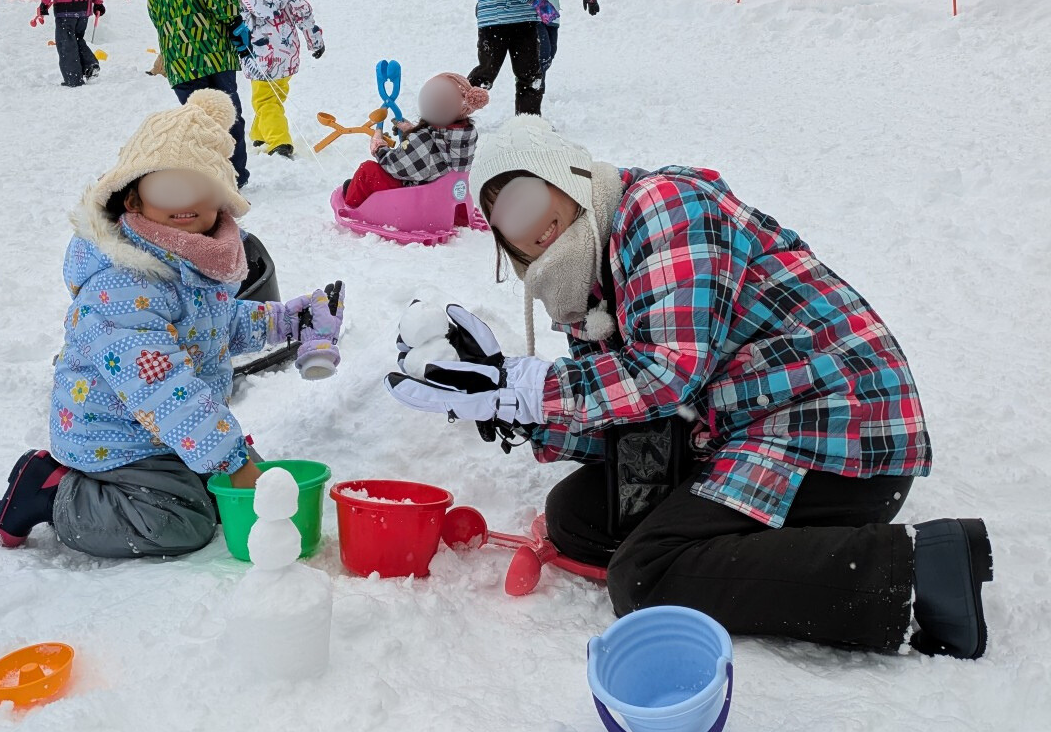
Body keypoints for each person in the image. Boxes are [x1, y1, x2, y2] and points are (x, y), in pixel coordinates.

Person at [386, 116, 993, 660]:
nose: (526, 227)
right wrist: (514, 412)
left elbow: (664, 371)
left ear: (567, 178)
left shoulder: (661, 205)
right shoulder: (584, 293)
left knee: (645, 576)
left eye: (526, 196)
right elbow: (628, 420)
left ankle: (922, 574)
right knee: (577, 516)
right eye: (504, 221)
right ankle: (752, 547)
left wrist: (526, 386)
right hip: (737, 428)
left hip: (833, 427)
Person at [0, 92, 344, 558]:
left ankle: (200, 466)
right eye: (168, 187)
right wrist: (228, 457)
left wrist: (288, 320)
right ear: (134, 195)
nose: (186, 201)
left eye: (200, 187)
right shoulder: (120, 283)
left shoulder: (189, 256)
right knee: (181, 523)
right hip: (116, 443)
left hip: (170, 430)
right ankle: (51, 490)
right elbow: (161, 385)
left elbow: (214, 328)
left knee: (248, 496)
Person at [147, 0, 248, 188]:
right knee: (227, 117)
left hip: (179, 60)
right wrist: (236, 24)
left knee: (196, 119)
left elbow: (156, 10)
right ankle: (234, 175)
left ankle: (204, 173)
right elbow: (220, 2)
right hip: (213, 56)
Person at [343, 73, 488, 208]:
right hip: (448, 196)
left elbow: (395, 165)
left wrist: (379, 148)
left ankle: (352, 205)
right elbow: (439, 149)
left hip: (418, 200)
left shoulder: (423, 141)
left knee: (368, 170)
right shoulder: (466, 134)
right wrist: (412, 130)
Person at [236, 0, 324, 160]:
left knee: (265, 100)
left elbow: (237, 27)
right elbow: (305, 16)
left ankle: (279, 141)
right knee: (275, 96)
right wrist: (315, 42)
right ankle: (260, 133)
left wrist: (236, 53)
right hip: (287, 56)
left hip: (259, 59)